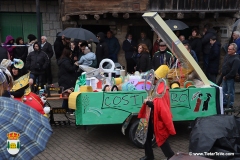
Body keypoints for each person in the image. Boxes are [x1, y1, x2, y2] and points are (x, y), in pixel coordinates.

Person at [138, 75, 176, 160]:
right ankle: (149, 156)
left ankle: (171, 156)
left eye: (154, 78)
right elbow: (155, 101)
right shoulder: (157, 87)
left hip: (158, 118)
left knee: (161, 138)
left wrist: (148, 102)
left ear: (158, 79)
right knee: (147, 136)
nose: (153, 80)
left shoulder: (163, 89)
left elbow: (160, 106)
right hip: (151, 116)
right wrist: (149, 100)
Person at [58, 48, 78, 113]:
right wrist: (75, 65)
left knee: (66, 96)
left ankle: (65, 109)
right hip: (67, 81)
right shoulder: (66, 61)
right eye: (70, 53)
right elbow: (70, 69)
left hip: (64, 80)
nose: (71, 55)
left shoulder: (63, 60)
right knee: (68, 95)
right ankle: (67, 109)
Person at [221, 43, 240, 108]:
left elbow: (234, 71)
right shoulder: (227, 55)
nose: (228, 50)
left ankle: (230, 104)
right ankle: (224, 102)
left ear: (234, 50)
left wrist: (227, 76)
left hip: (230, 78)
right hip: (225, 77)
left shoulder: (236, 59)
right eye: (228, 49)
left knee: (230, 91)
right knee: (224, 91)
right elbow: (224, 65)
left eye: (230, 49)